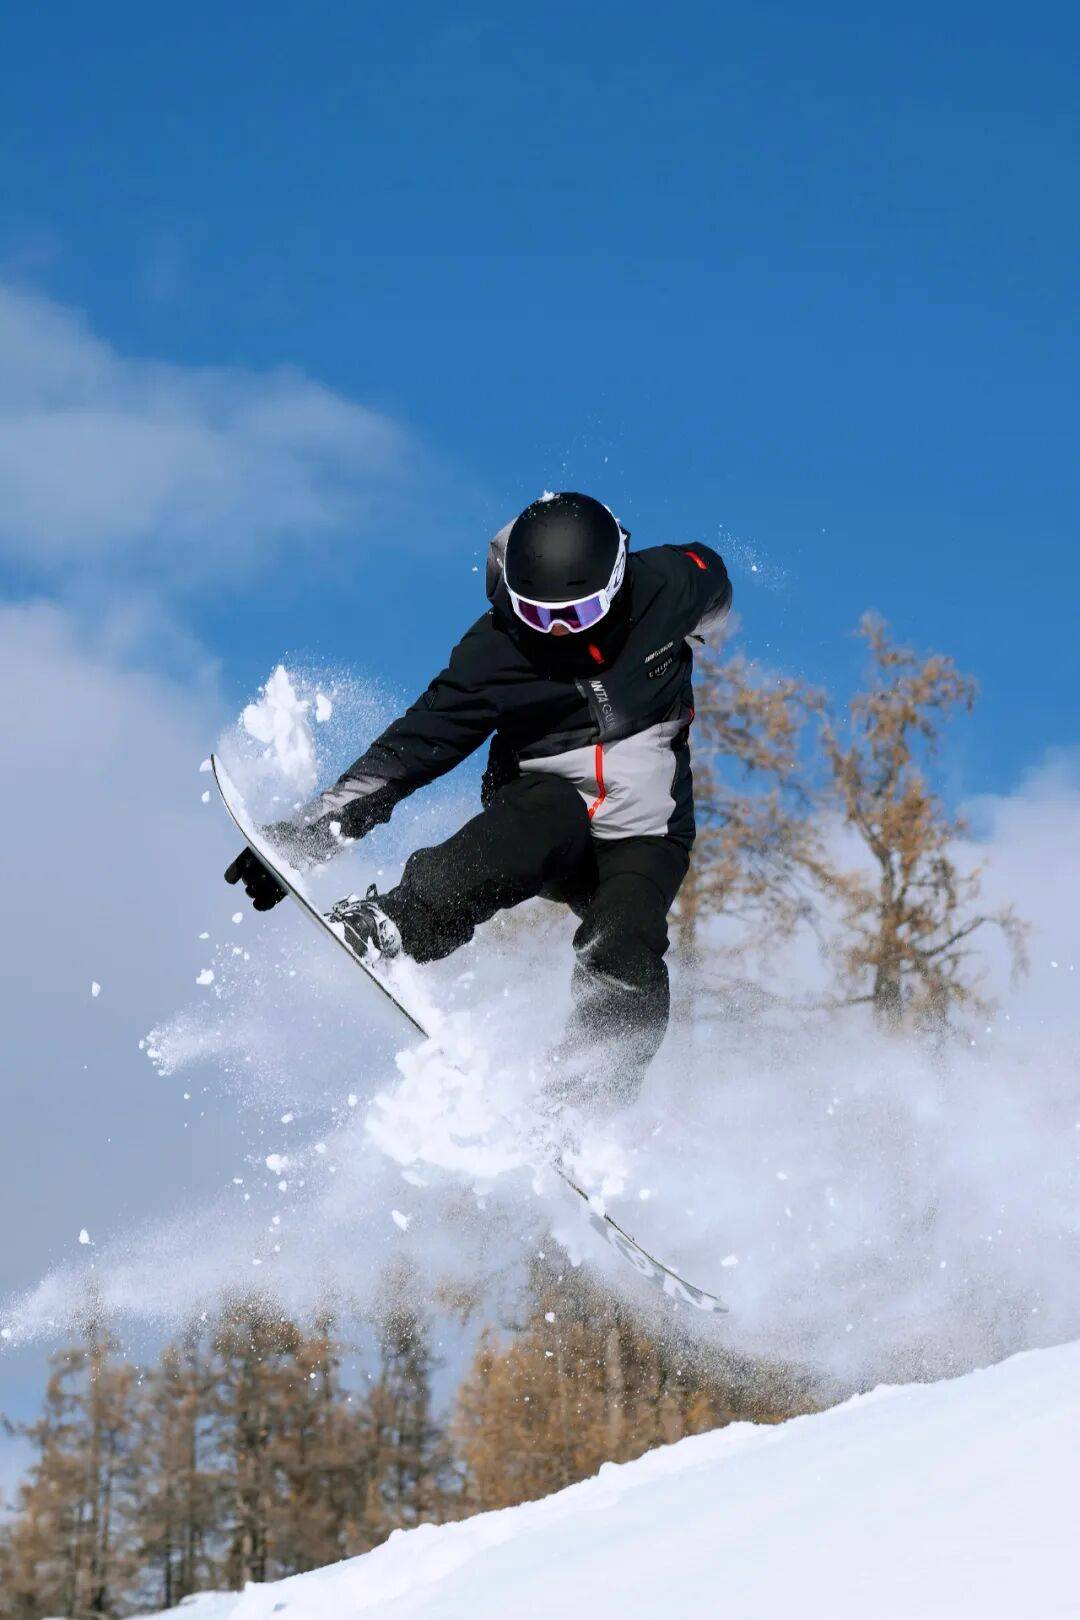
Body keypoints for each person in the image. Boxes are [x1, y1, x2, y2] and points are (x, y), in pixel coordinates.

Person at [227, 492, 732, 1105]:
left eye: (580, 612)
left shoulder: (670, 585)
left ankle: (587, 1100)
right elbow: (414, 750)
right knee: (540, 819)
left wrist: (708, 631)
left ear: (618, 582)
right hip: (544, 807)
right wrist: (308, 838)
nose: (561, 633)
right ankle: (392, 921)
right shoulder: (496, 652)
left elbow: (715, 580)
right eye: (542, 617)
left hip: (646, 832)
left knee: (627, 940)